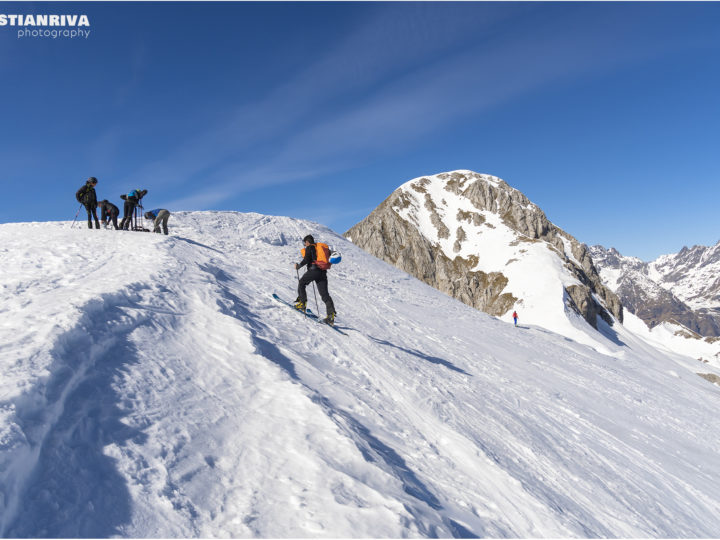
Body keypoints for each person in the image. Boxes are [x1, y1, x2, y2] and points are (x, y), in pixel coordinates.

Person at [294, 235, 337, 325]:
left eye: (304, 243)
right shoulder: (319, 248)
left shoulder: (310, 247)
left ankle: (302, 303)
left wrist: (299, 266)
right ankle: (330, 316)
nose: (304, 245)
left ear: (307, 242)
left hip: (314, 271)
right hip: (322, 272)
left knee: (302, 283)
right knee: (325, 295)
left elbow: (306, 259)